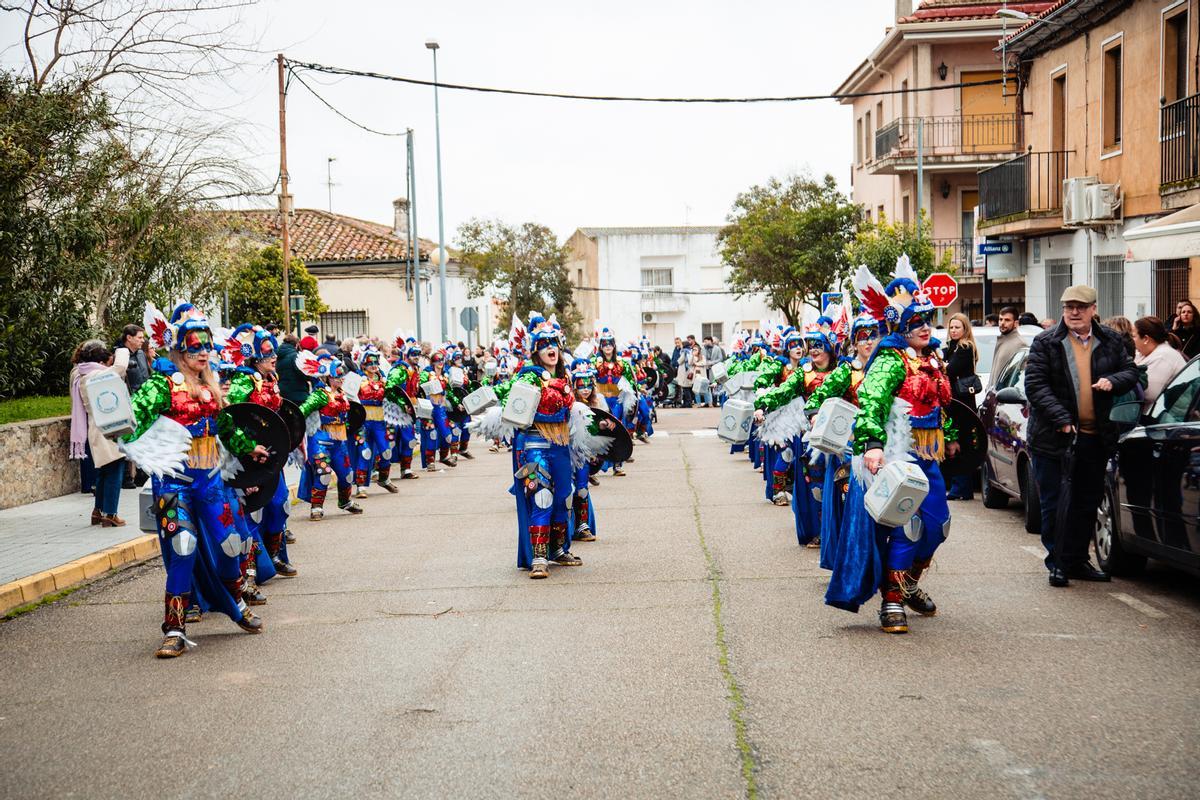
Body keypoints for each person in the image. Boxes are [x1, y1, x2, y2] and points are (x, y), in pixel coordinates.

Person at [118, 302, 270, 658]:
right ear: (181, 350)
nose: (204, 352)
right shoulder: (162, 384)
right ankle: (174, 628)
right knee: (182, 546)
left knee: (230, 544)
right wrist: (120, 426)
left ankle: (236, 604)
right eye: (195, 346)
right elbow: (133, 414)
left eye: (207, 346)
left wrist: (251, 449)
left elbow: (227, 428)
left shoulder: (213, 387)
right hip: (173, 482)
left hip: (210, 479)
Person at [827, 258, 959, 635]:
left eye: (928, 321)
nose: (925, 327)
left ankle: (910, 582)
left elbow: (939, 404)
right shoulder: (890, 358)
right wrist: (871, 444)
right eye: (917, 322)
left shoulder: (932, 357)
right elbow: (872, 400)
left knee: (938, 525)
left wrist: (947, 437)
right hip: (897, 455)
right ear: (901, 326)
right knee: (907, 526)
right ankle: (892, 600)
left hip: (928, 455)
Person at [1025, 285, 1139, 587]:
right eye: (1069, 307)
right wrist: (1061, 418)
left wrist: (1112, 382)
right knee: (1056, 503)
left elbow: (1131, 373)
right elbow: (1035, 386)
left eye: (1080, 306)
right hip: (1054, 438)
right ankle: (1058, 563)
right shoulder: (1046, 342)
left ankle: (1077, 560)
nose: (1074, 312)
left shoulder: (1111, 341)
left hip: (1094, 436)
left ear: (1092, 309)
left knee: (1086, 502)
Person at [70, 340, 130, 527]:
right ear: (101, 360)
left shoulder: (79, 373)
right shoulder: (95, 375)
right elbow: (120, 367)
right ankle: (110, 514)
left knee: (104, 472)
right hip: (108, 426)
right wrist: (122, 348)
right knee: (115, 469)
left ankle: (98, 511)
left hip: (96, 427)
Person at [942, 313, 979, 501]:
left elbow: (949, 370)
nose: (954, 330)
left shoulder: (965, 347)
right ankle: (960, 487)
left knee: (962, 443)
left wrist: (944, 364)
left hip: (963, 402)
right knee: (955, 441)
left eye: (958, 327)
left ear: (965, 329)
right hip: (953, 401)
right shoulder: (951, 347)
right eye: (952, 327)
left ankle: (961, 488)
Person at [1134, 316, 1187, 411]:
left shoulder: (1163, 356)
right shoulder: (1148, 353)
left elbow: (1148, 394)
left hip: (1171, 418)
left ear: (1146, 339)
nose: (1132, 340)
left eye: (1134, 336)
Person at [991, 307, 1023, 381]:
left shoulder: (1019, 344)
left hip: (1005, 392)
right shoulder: (1002, 340)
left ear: (1016, 323)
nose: (1002, 323)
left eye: (1007, 320)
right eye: (1000, 319)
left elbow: (1018, 375)